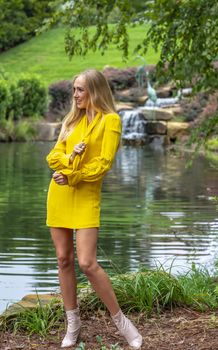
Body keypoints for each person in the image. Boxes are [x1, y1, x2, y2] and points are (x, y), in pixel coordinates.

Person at [46, 69, 143, 349]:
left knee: (87, 263)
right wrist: (69, 157)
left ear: (95, 91)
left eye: (80, 90)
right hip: (59, 193)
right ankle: (73, 324)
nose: (75, 95)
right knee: (63, 259)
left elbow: (103, 164)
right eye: (74, 89)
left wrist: (73, 175)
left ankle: (123, 323)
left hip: (85, 193)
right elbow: (53, 156)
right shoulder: (71, 121)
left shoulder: (110, 121)